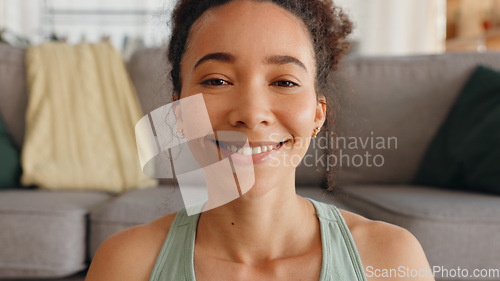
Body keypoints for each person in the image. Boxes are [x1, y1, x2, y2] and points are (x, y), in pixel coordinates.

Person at [85, 0, 435, 280]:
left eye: (284, 81)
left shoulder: (392, 259)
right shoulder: (125, 265)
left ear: (317, 114)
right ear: (179, 113)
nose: (252, 114)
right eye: (217, 81)